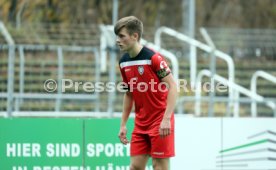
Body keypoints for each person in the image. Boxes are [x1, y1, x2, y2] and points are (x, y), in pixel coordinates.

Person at [114, 16, 177, 170]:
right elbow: (129, 94)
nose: (118, 40)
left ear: (135, 36)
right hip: (141, 123)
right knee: (135, 166)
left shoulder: (153, 58)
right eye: (117, 36)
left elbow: (173, 87)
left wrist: (166, 119)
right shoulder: (123, 62)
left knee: (159, 166)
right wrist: (123, 124)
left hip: (160, 120)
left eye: (122, 36)